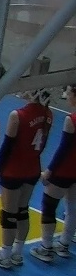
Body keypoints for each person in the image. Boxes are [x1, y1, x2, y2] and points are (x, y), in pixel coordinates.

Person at [0, 89, 53, 269]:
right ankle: (17, 253)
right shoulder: (48, 114)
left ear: (33, 93)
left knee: (8, 214)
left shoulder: (18, 115)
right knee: (23, 211)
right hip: (32, 168)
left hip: (14, 170)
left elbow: (7, 146)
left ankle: (5, 256)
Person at [38, 85, 76, 260]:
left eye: (68, 92)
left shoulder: (71, 119)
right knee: (72, 208)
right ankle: (64, 244)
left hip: (64, 170)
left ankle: (46, 247)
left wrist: (49, 171)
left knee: (49, 206)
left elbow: (63, 149)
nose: (66, 95)